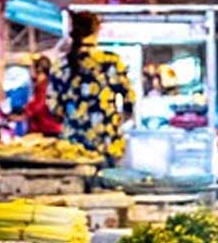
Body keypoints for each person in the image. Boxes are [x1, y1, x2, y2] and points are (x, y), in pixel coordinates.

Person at [52, 10, 135, 162]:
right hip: (106, 142)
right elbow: (129, 100)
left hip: (72, 145)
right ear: (97, 30)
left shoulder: (60, 65)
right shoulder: (110, 61)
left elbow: (55, 109)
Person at [21, 55, 64, 136]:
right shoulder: (44, 83)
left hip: (47, 128)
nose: (29, 72)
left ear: (38, 70)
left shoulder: (44, 85)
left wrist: (24, 112)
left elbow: (39, 103)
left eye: (31, 68)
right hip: (48, 127)